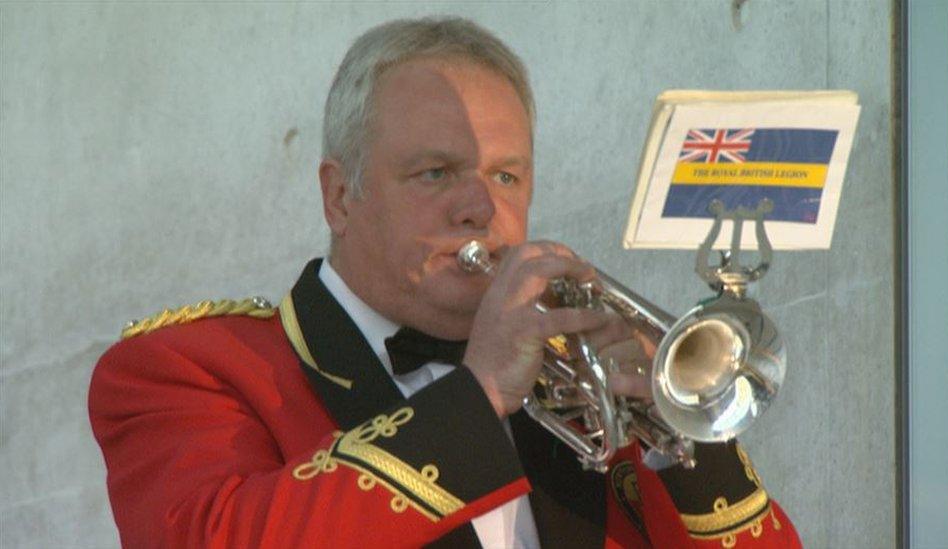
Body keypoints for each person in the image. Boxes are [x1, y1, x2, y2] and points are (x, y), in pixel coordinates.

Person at [89, 17, 801, 548]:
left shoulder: (583, 395)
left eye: (506, 175)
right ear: (340, 197)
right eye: (436, 172)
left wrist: (681, 432)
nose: (482, 207)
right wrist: (479, 395)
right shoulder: (186, 368)